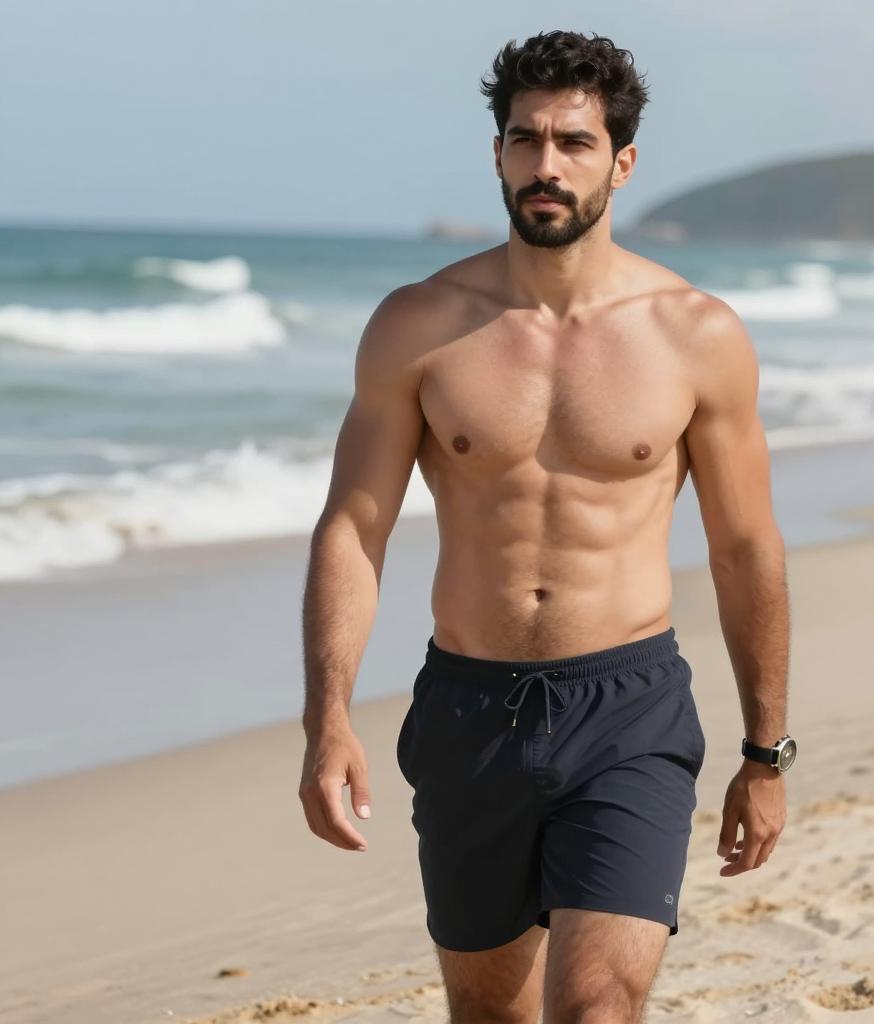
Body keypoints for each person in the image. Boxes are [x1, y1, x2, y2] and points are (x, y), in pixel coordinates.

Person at [299, 28, 792, 1024]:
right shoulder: (419, 325)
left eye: (573, 142)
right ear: (496, 154)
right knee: (489, 1014)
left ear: (622, 160)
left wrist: (765, 751)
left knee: (599, 1004)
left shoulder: (694, 334)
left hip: (629, 707)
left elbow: (745, 550)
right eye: (524, 140)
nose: (546, 165)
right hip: (468, 711)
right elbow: (355, 527)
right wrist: (328, 717)